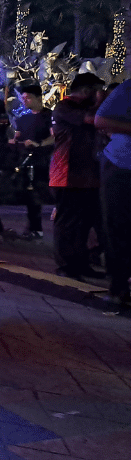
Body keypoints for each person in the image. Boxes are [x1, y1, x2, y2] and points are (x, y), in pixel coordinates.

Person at [50, 72, 106, 280]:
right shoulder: (65, 107)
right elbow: (93, 120)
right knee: (67, 221)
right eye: (95, 90)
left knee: (84, 222)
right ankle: (65, 265)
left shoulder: (81, 107)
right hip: (66, 173)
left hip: (87, 175)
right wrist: (100, 103)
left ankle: (81, 263)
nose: (98, 94)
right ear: (85, 90)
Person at [95, 78, 131, 307]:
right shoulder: (128, 88)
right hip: (121, 164)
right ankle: (118, 287)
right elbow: (101, 119)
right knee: (117, 226)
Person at [10, 81, 53, 240]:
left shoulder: (49, 116)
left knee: (36, 195)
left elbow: (54, 136)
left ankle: (37, 228)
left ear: (37, 98)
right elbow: (17, 137)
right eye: (22, 98)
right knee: (28, 195)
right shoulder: (23, 119)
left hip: (42, 161)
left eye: (27, 98)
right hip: (24, 161)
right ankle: (32, 227)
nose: (24, 101)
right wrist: (14, 141)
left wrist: (39, 144)